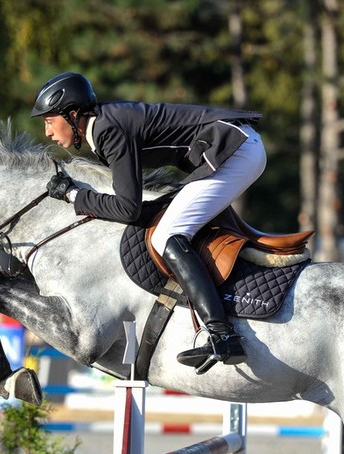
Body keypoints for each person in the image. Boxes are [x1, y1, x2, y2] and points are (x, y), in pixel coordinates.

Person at [31, 72, 266, 373]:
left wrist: (75, 195)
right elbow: (135, 209)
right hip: (234, 149)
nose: (48, 132)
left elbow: (127, 209)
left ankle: (222, 333)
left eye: (50, 120)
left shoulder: (107, 129)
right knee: (165, 224)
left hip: (234, 150)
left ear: (73, 114)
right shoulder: (105, 126)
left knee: (166, 236)